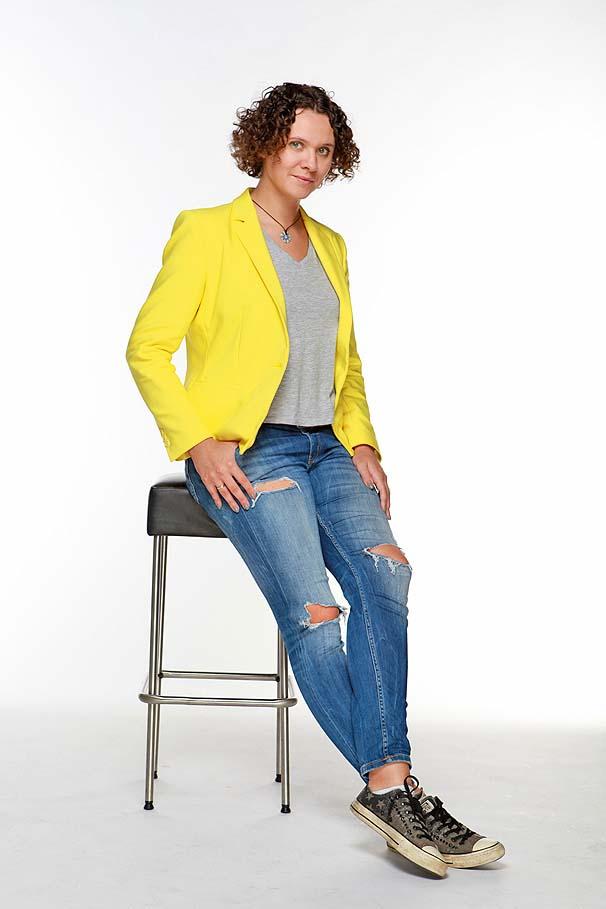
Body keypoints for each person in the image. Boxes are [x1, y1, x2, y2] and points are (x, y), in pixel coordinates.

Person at [125, 82, 505, 877]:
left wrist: (362, 441)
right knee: (315, 613)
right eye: (297, 143)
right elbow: (147, 347)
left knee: (386, 576)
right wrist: (197, 442)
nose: (310, 161)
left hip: (327, 448)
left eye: (324, 150)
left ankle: (392, 790)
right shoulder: (207, 231)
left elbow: (347, 362)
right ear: (265, 144)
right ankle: (395, 787)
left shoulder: (330, 244)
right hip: (249, 452)